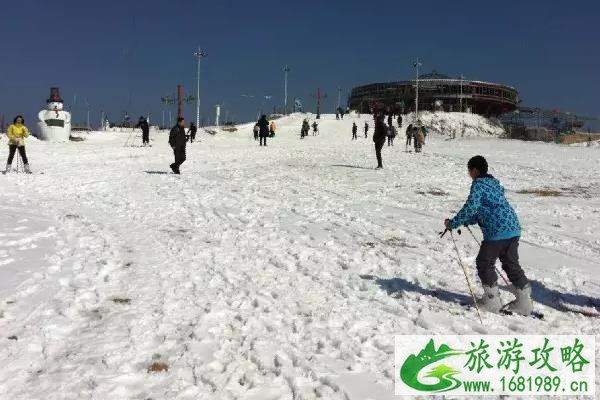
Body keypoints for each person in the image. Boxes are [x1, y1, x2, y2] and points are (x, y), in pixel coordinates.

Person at [444, 155, 532, 316]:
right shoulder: (495, 184)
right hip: (513, 228)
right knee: (511, 264)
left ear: (475, 170)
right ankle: (524, 302)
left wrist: (454, 223)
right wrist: (465, 221)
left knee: (484, 263)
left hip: (496, 231)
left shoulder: (478, 184)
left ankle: (492, 301)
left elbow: (471, 207)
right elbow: (484, 209)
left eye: (469, 171)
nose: (469, 174)